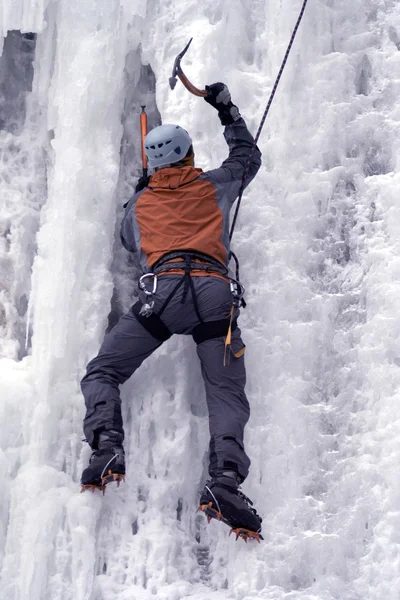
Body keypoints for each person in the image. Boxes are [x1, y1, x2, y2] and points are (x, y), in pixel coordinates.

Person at [80, 83, 262, 539]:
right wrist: (225, 109)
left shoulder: (138, 208)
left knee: (103, 371)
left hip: (161, 296)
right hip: (213, 293)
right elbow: (247, 158)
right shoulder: (214, 185)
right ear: (188, 154)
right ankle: (225, 483)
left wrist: (142, 194)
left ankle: (106, 449)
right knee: (225, 393)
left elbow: (129, 245)